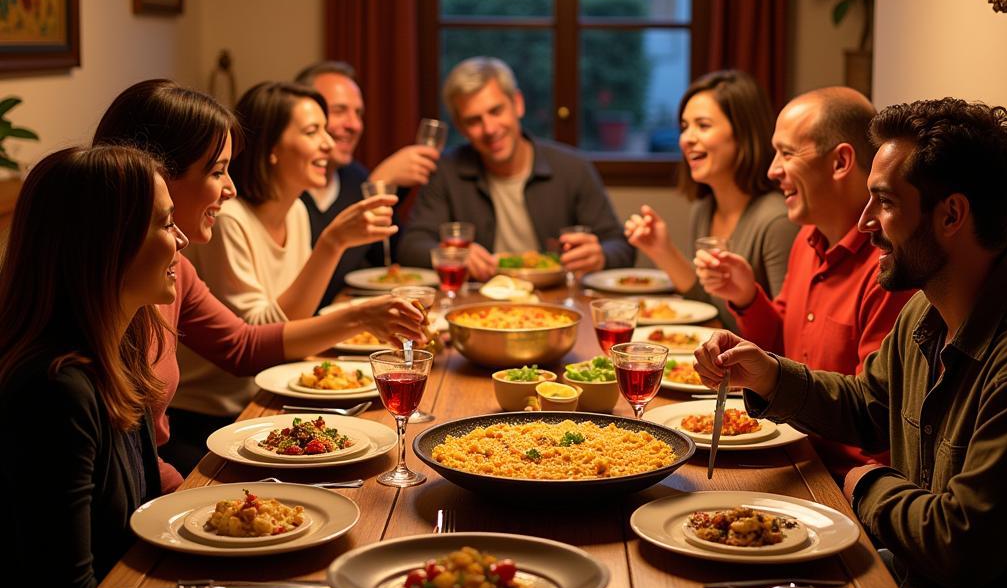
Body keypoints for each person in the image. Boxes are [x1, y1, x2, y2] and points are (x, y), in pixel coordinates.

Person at [693, 98, 1007, 588]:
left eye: (888, 202)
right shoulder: (927, 307)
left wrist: (867, 485)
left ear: (952, 215)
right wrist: (767, 375)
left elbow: (960, 542)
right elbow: (867, 404)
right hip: (907, 580)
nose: (867, 220)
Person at [95, 79, 424, 484]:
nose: (230, 188)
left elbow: (243, 346)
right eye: (217, 171)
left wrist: (361, 315)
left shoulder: (176, 269)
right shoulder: (94, 310)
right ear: (155, 178)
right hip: (199, 428)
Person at [0, 145, 184, 588]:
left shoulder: (120, 351)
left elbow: (144, 519)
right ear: (108, 245)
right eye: (167, 223)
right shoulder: (55, 390)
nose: (182, 240)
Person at [695, 87, 915, 478]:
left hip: (837, 479)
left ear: (840, 161)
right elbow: (782, 347)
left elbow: (873, 418)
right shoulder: (807, 239)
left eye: (787, 153)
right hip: (789, 448)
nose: (772, 170)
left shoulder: (888, 268)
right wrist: (748, 297)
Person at [398, 56, 634, 280]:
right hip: (479, 307)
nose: (489, 129)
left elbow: (621, 246)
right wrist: (454, 256)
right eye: (473, 121)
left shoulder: (572, 168)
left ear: (518, 104)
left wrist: (600, 256)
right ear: (461, 127)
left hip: (557, 305)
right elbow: (411, 246)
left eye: (496, 111)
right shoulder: (446, 172)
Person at [624, 69, 797, 330]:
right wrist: (663, 251)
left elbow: (785, 336)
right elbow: (710, 311)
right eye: (684, 127)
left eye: (703, 126)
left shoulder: (776, 221)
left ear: (742, 133)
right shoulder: (704, 209)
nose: (686, 139)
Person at [295, 60, 442, 307]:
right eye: (340, 110)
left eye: (358, 113)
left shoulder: (353, 176)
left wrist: (387, 191)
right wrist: (377, 183)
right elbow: (316, 286)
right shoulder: (287, 190)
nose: (354, 125)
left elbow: (389, 262)